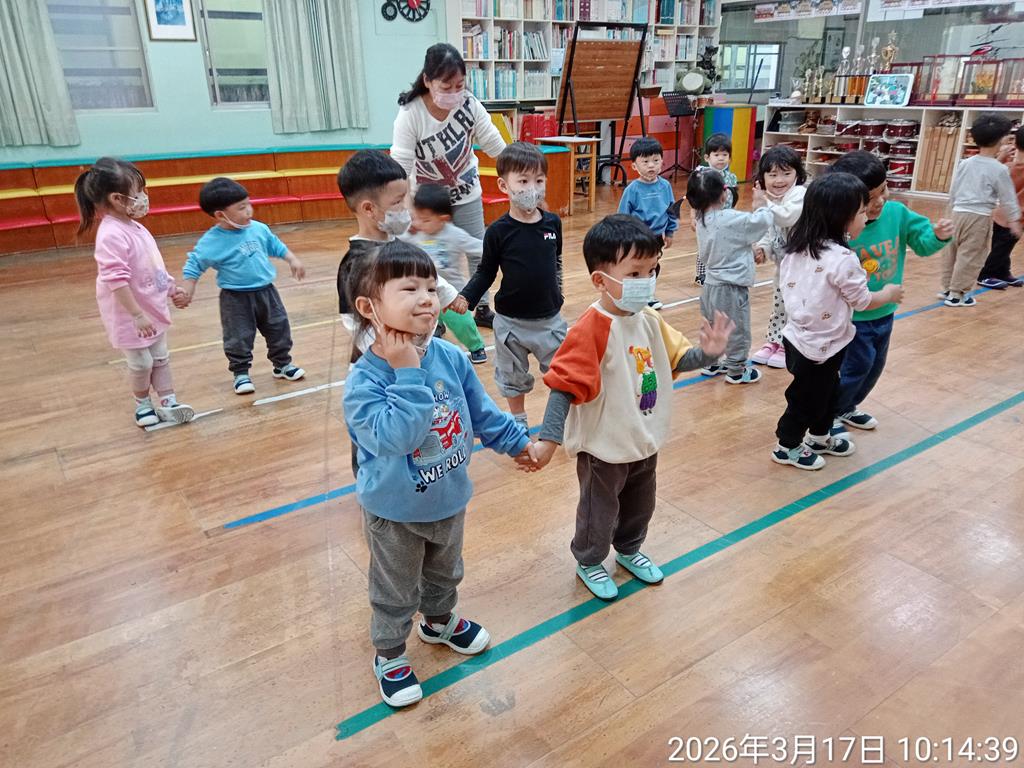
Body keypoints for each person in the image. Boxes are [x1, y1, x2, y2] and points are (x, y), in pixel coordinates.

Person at [343, 240, 539, 707]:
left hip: (449, 496)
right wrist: (407, 373)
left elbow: (482, 413)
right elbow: (398, 438)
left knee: (445, 572)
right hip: (395, 511)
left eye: (431, 287)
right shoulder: (364, 381)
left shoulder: (450, 358)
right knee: (394, 588)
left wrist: (517, 443)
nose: (427, 299)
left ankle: (438, 622)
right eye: (409, 288)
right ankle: (389, 653)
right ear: (369, 307)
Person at [530, 214, 733, 600]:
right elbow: (562, 387)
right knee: (599, 510)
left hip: (643, 438)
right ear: (600, 280)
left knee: (641, 502)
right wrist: (548, 442)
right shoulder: (590, 328)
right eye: (635, 273)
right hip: (604, 447)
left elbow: (678, 358)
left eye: (651, 271)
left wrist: (708, 353)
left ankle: (629, 548)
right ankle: (590, 559)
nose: (647, 281)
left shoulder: (649, 319)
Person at [771, 173, 904, 471]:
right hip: (820, 346)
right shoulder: (843, 259)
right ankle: (787, 446)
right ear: (841, 218)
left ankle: (819, 437)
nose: (866, 218)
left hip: (799, 339)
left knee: (827, 393)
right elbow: (862, 301)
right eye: (861, 212)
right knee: (805, 400)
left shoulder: (797, 247)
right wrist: (887, 294)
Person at [826, 151, 952, 436]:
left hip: (885, 312)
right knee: (856, 366)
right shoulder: (842, 227)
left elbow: (923, 244)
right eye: (869, 199)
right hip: (852, 317)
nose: (880, 201)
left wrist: (938, 236)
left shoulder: (897, 214)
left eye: (883, 190)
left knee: (874, 366)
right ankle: (828, 414)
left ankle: (846, 406)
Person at [391, 42, 507, 329]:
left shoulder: (469, 104)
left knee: (478, 252)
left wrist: (520, 176)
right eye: (446, 86)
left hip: (466, 194)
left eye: (460, 86)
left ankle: (481, 307)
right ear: (427, 81)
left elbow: (496, 145)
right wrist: (407, 212)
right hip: (427, 203)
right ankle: (435, 311)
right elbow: (401, 170)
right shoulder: (411, 114)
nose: (454, 93)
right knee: (429, 259)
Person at [74, 157, 194, 428]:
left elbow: (152, 265)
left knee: (160, 357)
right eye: (138, 192)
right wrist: (137, 315)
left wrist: (171, 288)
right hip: (130, 315)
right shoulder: (111, 235)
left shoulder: (136, 227)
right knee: (141, 363)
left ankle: (168, 401)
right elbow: (115, 280)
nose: (144, 197)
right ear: (117, 199)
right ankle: (143, 404)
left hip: (152, 308)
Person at [459, 142, 567, 428]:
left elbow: (556, 262)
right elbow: (486, 272)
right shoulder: (498, 232)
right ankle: (519, 422)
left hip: (549, 320)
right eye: (523, 181)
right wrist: (466, 298)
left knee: (564, 372)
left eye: (539, 180)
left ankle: (559, 421)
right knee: (512, 378)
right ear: (503, 185)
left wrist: (559, 294)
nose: (532, 188)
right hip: (511, 323)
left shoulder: (553, 223)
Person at [174, 177, 306, 395]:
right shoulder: (212, 241)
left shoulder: (258, 229)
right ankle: (241, 373)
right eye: (241, 207)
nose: (249, 211)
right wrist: (188, 288)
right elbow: (195, 263)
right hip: (235, 298)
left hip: (266, 291)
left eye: (248, 204)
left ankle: (282, 364)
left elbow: (275, 245)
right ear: (220, 215)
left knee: (279, 328)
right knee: (238, 336)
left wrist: (292, 259)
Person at [686, 168, 772, 384]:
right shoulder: (730, 218)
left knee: (713, 325)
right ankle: (736, 370)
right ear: (724, 194)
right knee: (736, 328)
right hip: (730, 287)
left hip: (710, 286)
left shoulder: (701, 219)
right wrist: (760, 202)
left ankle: (711, 361)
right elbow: (761, 222)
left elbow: (731, 240)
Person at [939, 112, 1022, 307]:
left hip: (956, 213)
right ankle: (958, 294)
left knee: (951, 252)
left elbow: (954, 190)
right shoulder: (1000, 169)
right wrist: (1014, 220)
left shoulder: (966, 162)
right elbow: (1008, 198)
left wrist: (949, 212)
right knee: (971, 256)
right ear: (1001, 140)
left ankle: (947, 288)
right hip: (979, 218)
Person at [401, 183, 488, 364]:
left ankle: (476, 346)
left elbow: (478, 247)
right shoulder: (415, 235)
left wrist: (500, 249)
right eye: (417, 218)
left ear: (443, 219)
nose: (419, 223)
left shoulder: (455, 234)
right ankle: (429, 344)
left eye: (425, 220)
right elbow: (394, 242)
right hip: (425, 294)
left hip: (452, 294)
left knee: (463, 323)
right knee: (424, 323)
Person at [749, 146, 808, 369]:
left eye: (786, 173)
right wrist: (762, 248)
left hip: (803, 267)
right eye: (772, 175)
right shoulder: (771, 199)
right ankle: (774, 340)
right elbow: (769, 229)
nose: (779, 180)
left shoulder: (799, 194)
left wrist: (764, 205)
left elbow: (786, 217)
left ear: (797, 175)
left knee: (795, 307)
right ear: (763, 178)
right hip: (783, 266)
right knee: (779, 305)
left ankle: (788, 346)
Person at [617, 136, 678, 308]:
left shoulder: (665, 186)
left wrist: (670, 232)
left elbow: (672, 210)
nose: (651, 165)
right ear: (634, 166)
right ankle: (633, 296)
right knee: (637, 267)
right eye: (645, 162)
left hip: (657, 237)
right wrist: (625, 238)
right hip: (637, 237)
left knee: (652, 266)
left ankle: (648, 296)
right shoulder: (632, 189)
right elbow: (623, 216)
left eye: (656, 160)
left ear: (662, 162)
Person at [977, 125, 1024, 289]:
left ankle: (1003, 271)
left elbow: (991, 170)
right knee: (1001, 249)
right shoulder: (1010, 168)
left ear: (1015, 144)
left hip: (1002, 215)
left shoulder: (1007, 167)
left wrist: (1001, 156)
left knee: (1003, 247)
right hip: (1014, 218)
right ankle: (985, 274)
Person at [693, 133, 740, 285]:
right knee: (705, 246)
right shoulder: (702, 175)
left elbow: (734, 198)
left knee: (723, 245)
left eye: (725, 155)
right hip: (706, 217)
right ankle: (702, 274)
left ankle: (720, 271)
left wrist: (735, 215)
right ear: (707, 157)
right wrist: (694, 216)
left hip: (725, 218)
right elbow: (694, 198)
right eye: (716, 154)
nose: (721, 158)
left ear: (730, 158)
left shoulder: (731, 177)